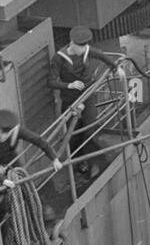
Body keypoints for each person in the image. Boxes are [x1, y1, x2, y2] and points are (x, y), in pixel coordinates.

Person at [48, 27, 125, 174]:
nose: (84, 50)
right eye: (81, 46)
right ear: (72, 43)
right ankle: (78, 161)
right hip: (70, 100)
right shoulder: (59, 58)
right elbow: (50, 82)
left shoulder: (87, 51)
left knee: (90, 127)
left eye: (85, 46)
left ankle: (94, 160)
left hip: (87, 95)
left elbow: (102, 55)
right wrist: (69, 85)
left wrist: (116, 68)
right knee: (73, 134)